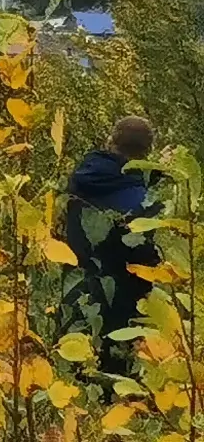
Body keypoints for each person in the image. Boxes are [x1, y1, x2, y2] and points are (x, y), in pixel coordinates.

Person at [65, 115, 159, 370]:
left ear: (111, 140)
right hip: (124, 302)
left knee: (77, 375)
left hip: (77, 292)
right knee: (118, 380)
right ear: (146, 151)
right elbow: (147, 250)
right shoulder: (144, 196)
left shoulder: (79, 179)